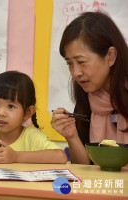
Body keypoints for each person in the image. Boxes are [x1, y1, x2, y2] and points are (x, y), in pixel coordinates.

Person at [51, 12, 128, 165]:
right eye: (69, 64)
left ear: (111, 56)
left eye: (81, 61)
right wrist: (71, 137)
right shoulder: (87, 98)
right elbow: (84, 168)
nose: (76, 73)